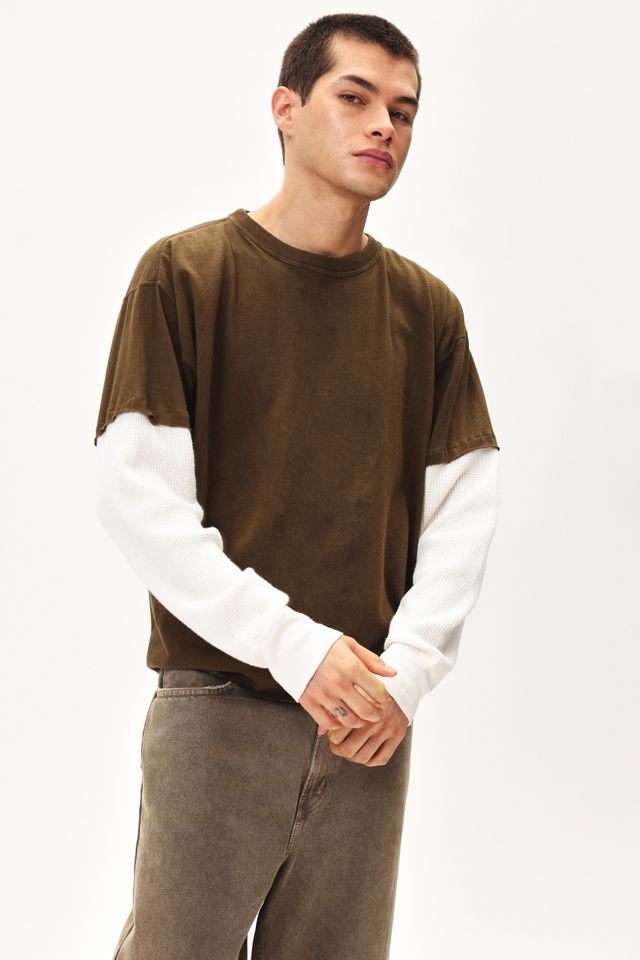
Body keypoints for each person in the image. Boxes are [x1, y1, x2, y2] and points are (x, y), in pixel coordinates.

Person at [94, 13, 500, 960]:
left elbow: (463, 507)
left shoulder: (427, 312)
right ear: (286, 108)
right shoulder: (185, 276)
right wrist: (294, 646)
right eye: (354, 98)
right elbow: (139, 499)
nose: (383, 126)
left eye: (403, 110)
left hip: (368, 722)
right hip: (219, 707)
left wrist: (408, 675)